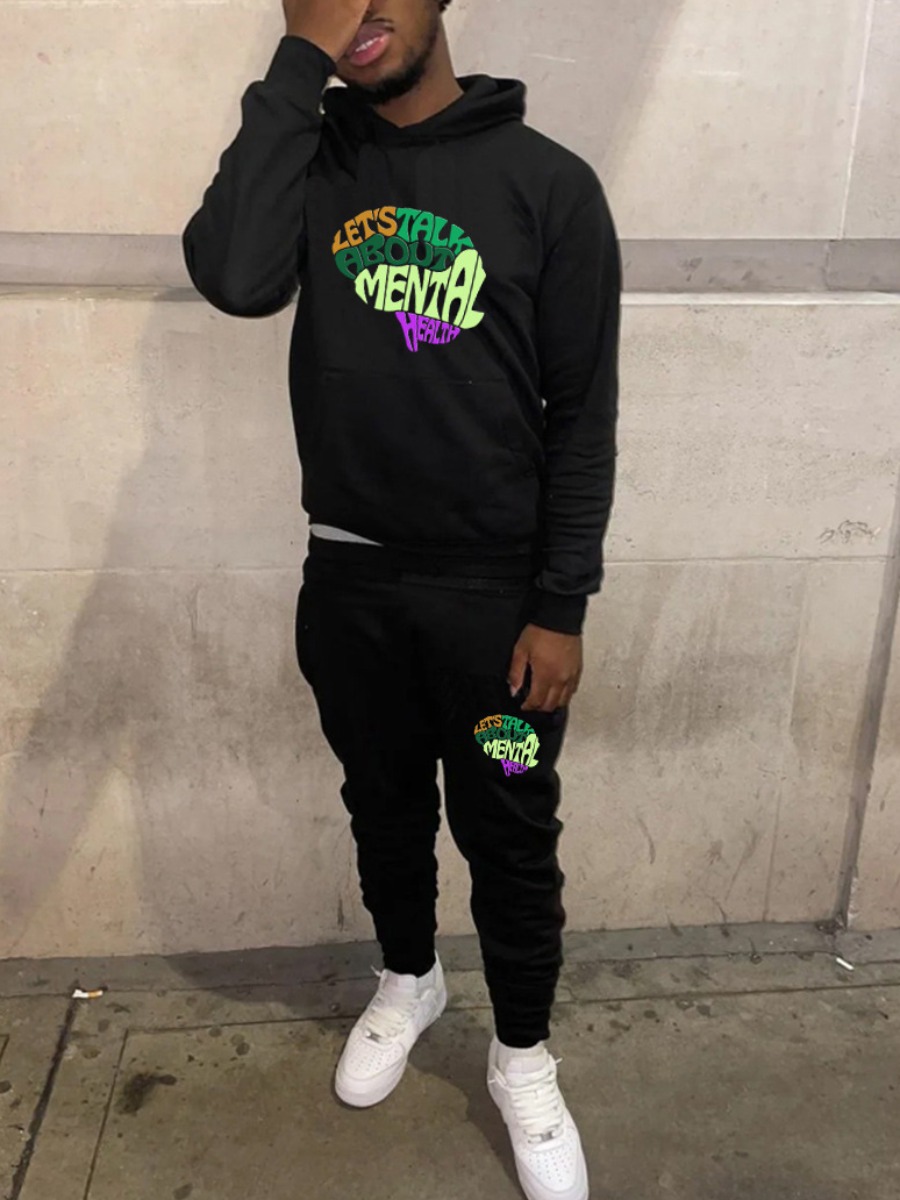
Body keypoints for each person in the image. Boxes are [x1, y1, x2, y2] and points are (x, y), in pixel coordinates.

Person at [182, 1, 620, 1196]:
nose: (356, 9)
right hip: (352, 585)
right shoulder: (311, 159)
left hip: (499, 608)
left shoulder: (551, 185)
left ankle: (522, 1057)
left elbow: (583, 418)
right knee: (382, 803)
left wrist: (562, 605)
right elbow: (233, 278)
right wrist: (298, 68)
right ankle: (409, 977)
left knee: (510, 830)